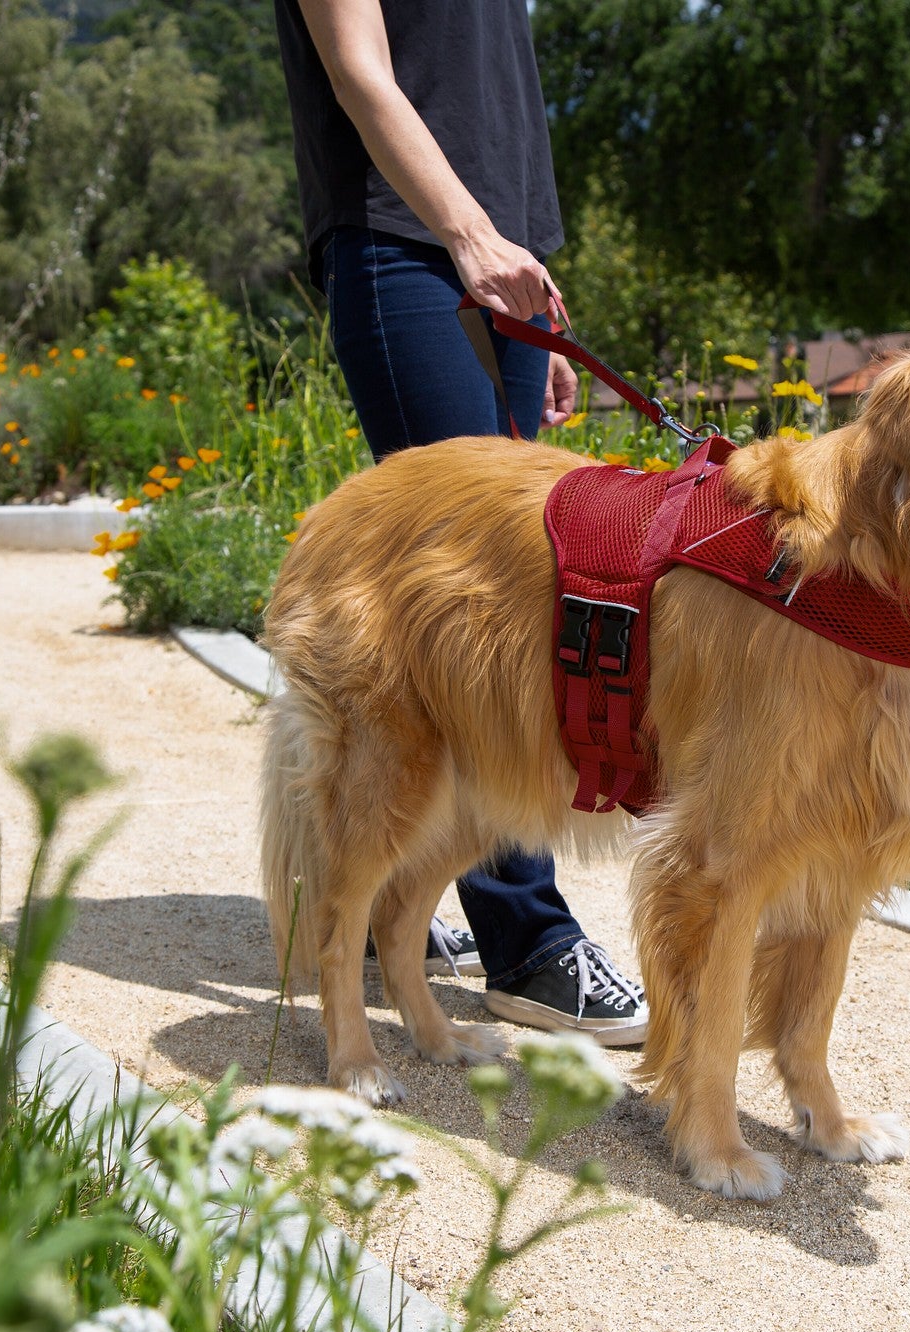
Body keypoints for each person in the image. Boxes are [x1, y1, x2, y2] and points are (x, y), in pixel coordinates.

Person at [273, 0, 647, 1044]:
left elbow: (488, 92)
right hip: (409, 243)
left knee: (524, 604)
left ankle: (401, 897)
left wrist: (527, 288)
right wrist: (469, 236)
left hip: (496, 256)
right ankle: (525, 940)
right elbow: (360, 69)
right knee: (465, 617)